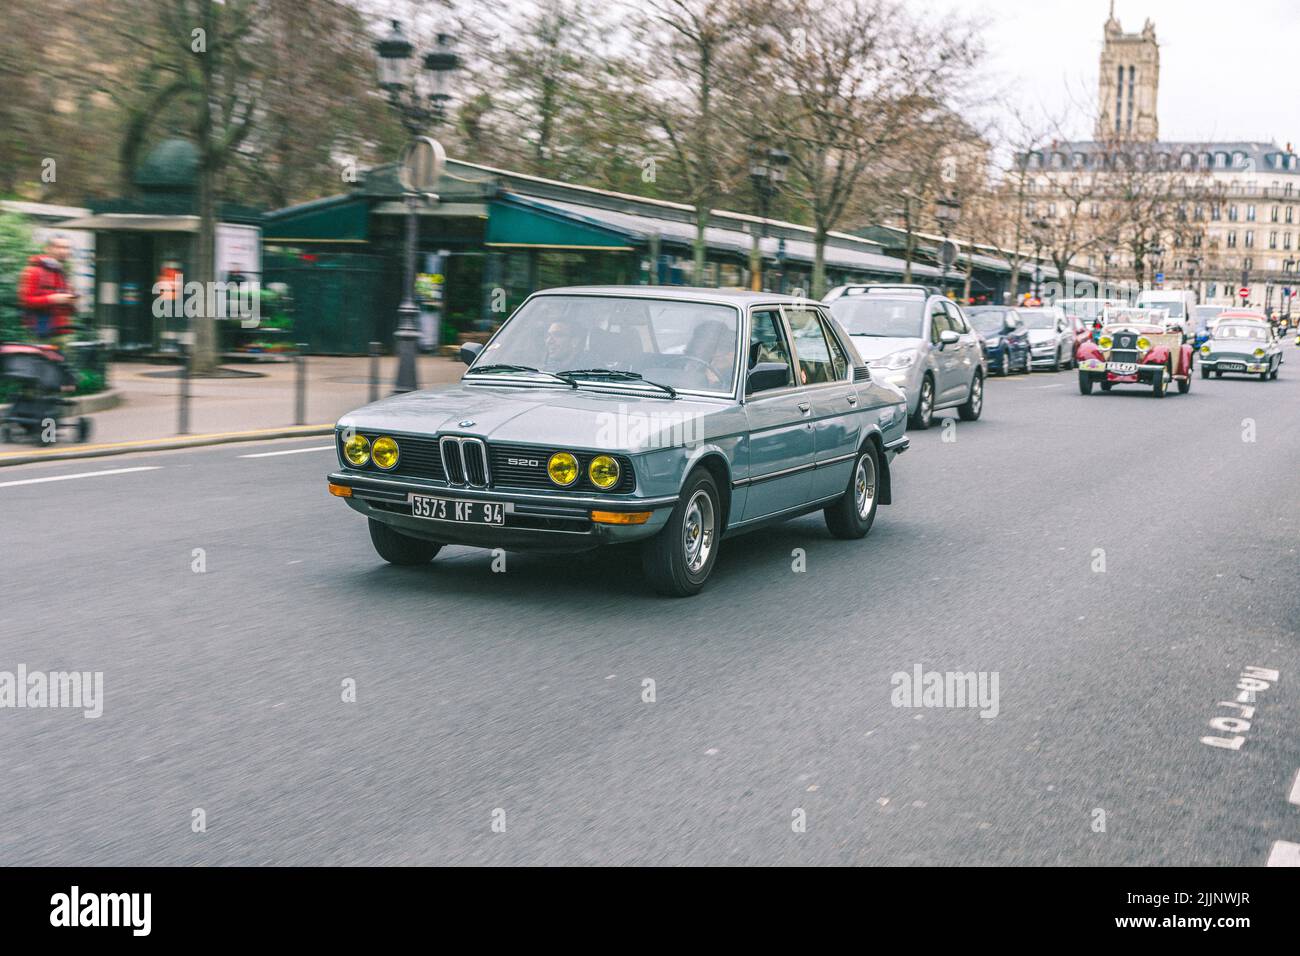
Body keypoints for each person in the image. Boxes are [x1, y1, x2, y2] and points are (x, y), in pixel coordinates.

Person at [19, 236, 78, 346]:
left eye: (67, 248)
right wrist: (52, 299)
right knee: (41, 362)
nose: (64, 251)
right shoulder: (35, 271)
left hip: (62, 331)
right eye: (59, 247)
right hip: (41, 332)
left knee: (63, 362)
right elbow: (26, 301)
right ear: (48, 249)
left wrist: (71, 301)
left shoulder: (61, 271)